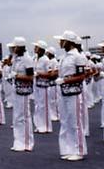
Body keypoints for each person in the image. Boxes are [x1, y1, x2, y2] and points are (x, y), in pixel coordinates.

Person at [53, 30, 88, 161]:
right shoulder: (64, 57)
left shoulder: (77, 57)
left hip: (74, 92)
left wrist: (65, 80)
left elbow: (81, 75)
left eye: (62, 40)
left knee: (75, 121)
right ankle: (68, 149)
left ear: (68, 42)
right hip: (63, 92)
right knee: (65, 120)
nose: (60, 42)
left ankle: (78, 150)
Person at [7, 37, 35, 151]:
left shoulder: (27, 59)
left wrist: (16, 76)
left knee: (24, 116)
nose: (12, 49)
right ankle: (18, 141)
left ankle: (27, 143)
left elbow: (30, 77)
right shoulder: (16, 59)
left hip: (24, 90)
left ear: (19, 47)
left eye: (14, 47)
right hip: (16, 88)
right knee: (17, 116)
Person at [33, 40, 53, 133]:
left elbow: (50, 74)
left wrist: (39, 74)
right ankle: (39, 125)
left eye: (36, 47)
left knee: (44, 106)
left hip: (44, 86)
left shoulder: (46, 60)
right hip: (37, 85)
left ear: (41, 49)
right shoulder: (35, 58)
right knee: (38, 106)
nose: (34, 48)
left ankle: (46, 127)